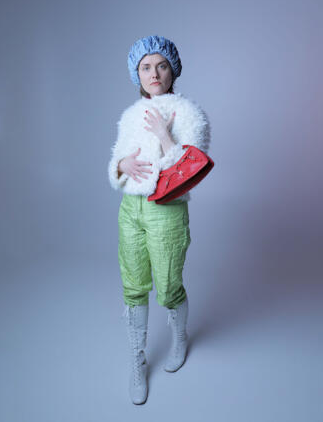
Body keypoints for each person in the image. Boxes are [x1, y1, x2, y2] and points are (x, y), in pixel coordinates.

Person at [107, 35, 211, 405]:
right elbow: (117, 161)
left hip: (166, 209)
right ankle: (137, 360)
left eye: (161, 65)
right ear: (136, 74)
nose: (154, 73)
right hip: (130, 209)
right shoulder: (130, 115)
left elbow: (191, 168)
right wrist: (122, 165)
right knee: (133, 286)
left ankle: (179, 337)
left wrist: (165, 136)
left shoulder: (189, 113)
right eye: (145, 67)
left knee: (167, 287)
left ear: (173, 70)